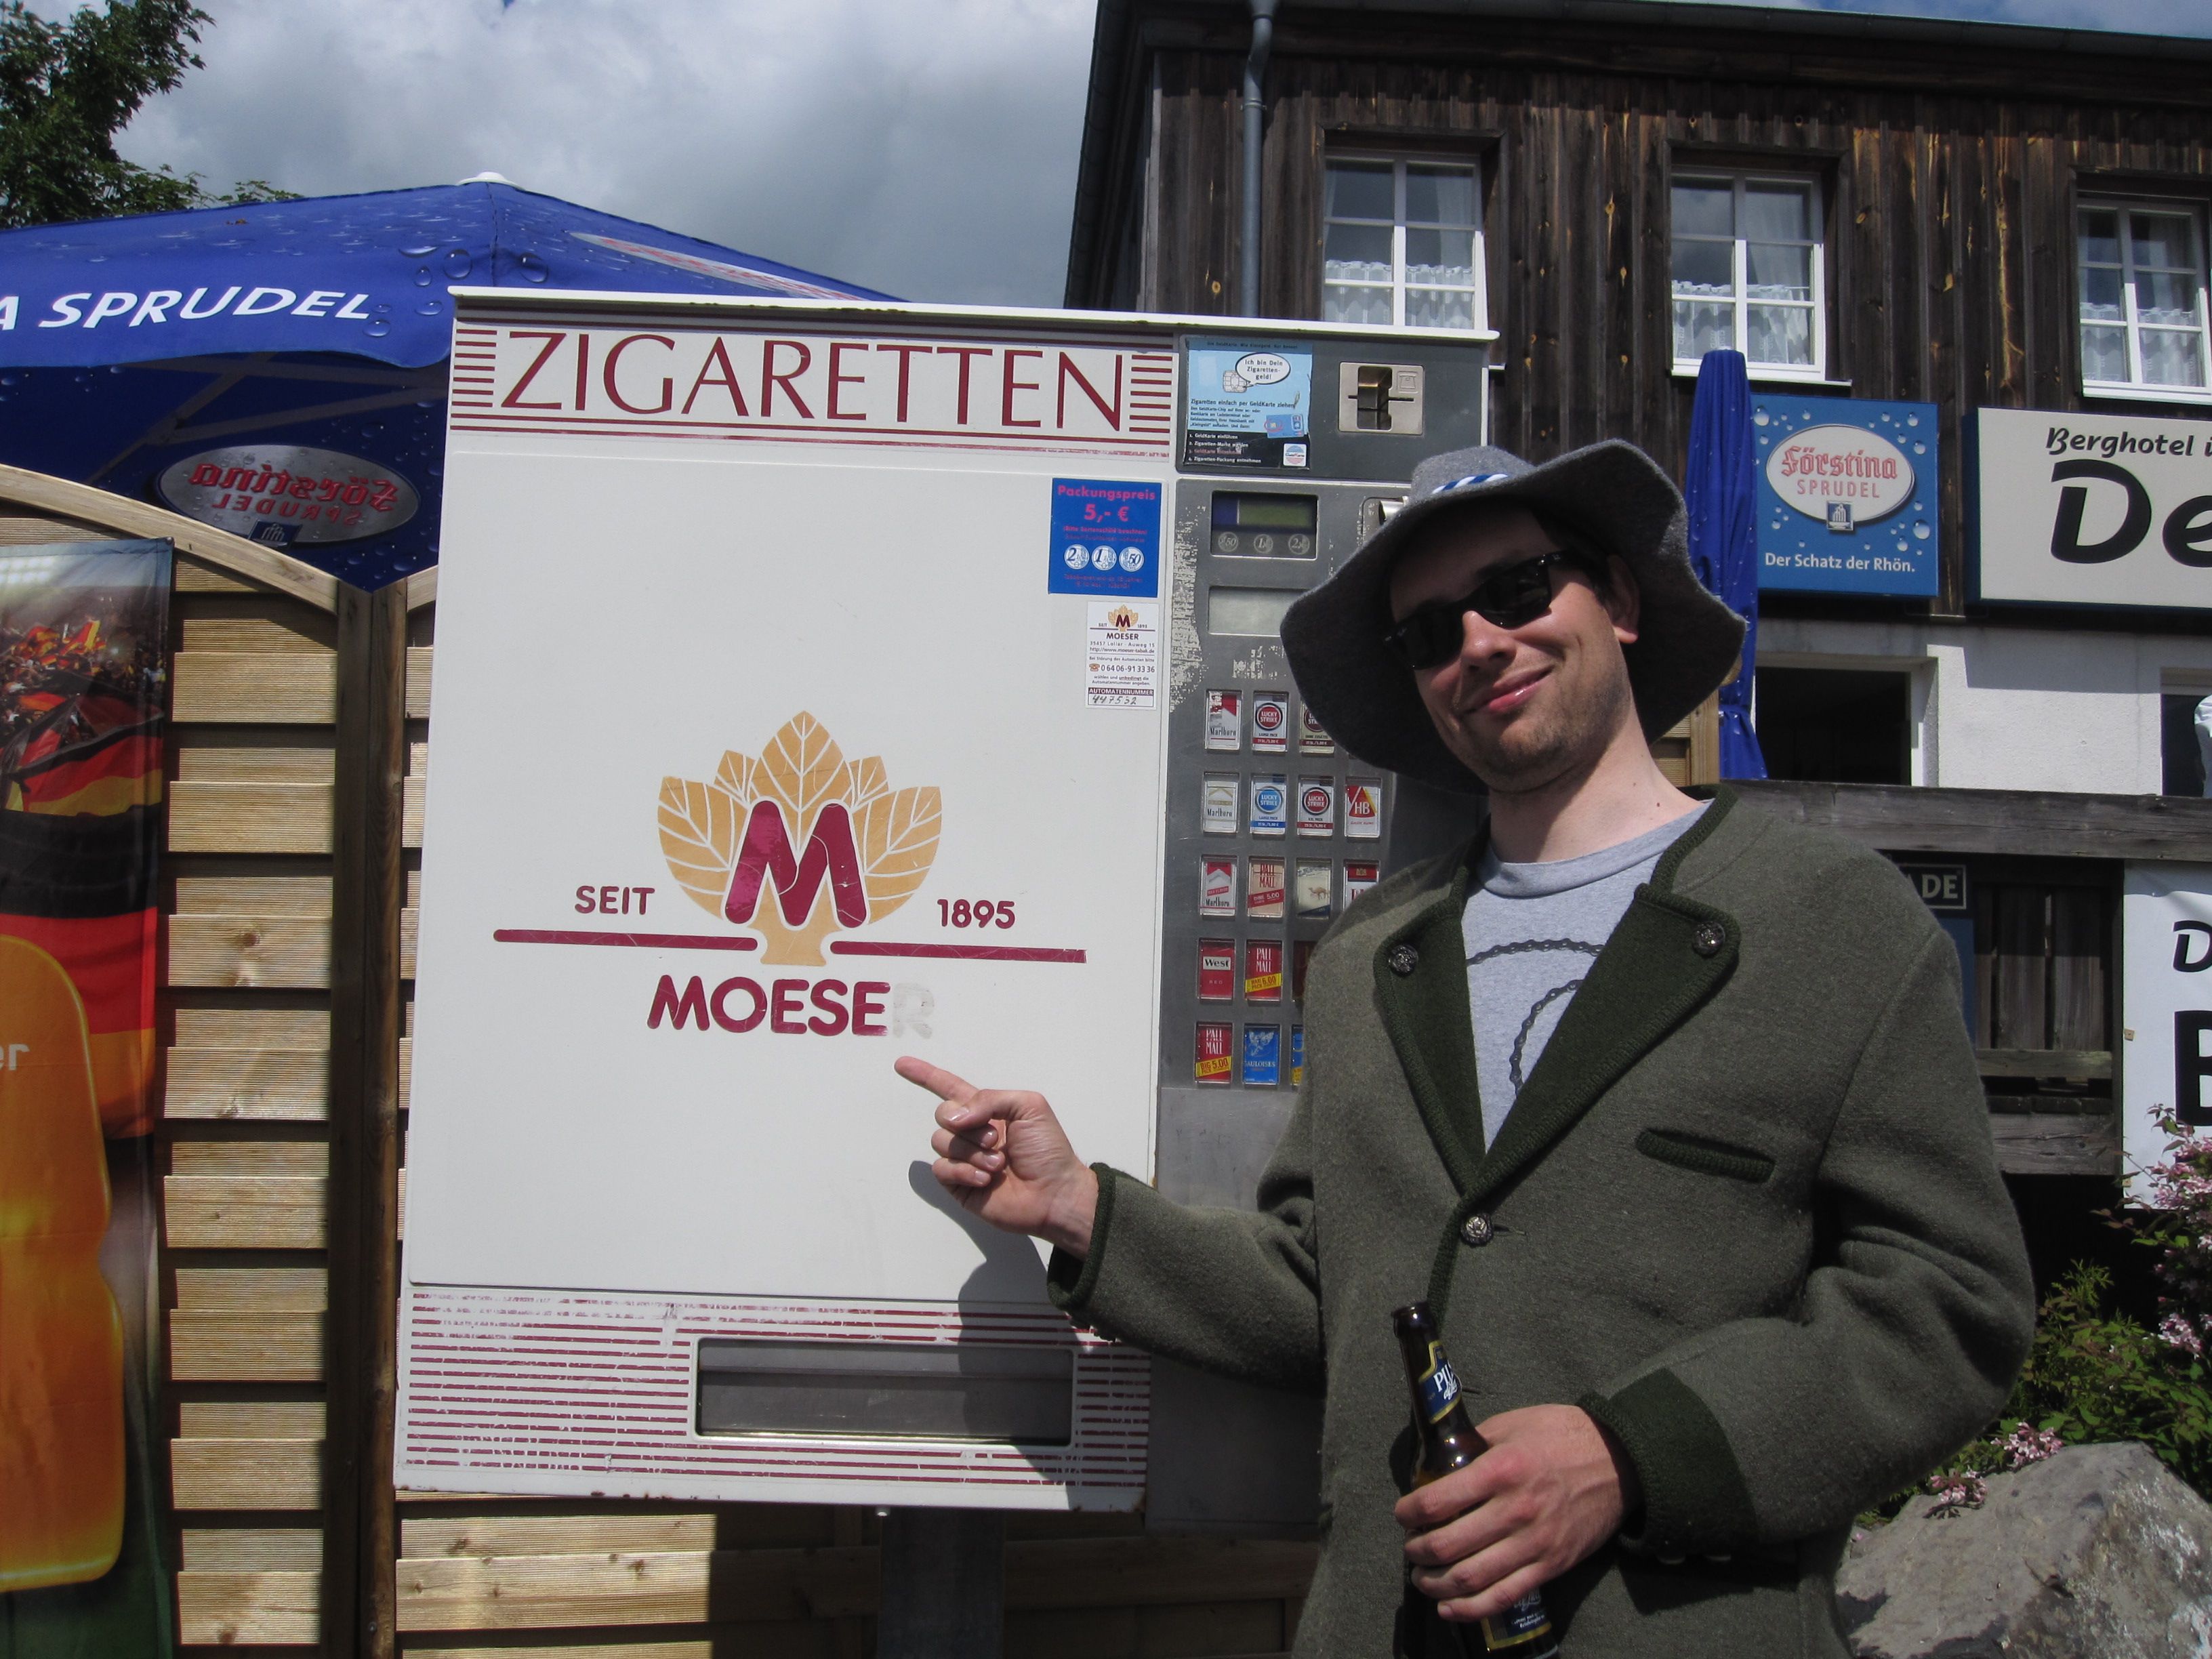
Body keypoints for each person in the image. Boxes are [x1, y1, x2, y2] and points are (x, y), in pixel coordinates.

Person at [899, 440, 2035, 1658]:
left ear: (1621, 600)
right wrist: (1081, 1212)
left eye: (1518, 588)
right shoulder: (1367, 956)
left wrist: (1626, 1456)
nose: (1481, 643)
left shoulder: (1830, 922)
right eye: (1432, 632)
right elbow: (1332, 1296)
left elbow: (1947, 1306)